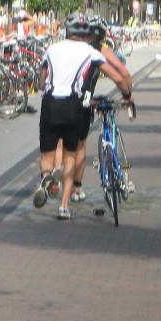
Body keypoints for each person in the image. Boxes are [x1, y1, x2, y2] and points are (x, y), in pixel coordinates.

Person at [33, 12, 132, 219]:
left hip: (50, 104)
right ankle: (64, 206)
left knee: (47, 155)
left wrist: (44, 86)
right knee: (70, 155)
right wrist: (127, 95)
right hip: (74, 105)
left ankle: (47, 176)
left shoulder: (52, 49)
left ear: (67, 31)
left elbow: (42, 80)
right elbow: (117, 76)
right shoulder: (91, 52)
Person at [69, 15, 133, 203]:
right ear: (103, 35)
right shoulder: (100, 50)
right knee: (80, 145)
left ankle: (55, 177)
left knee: (63, 144)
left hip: (61, 99)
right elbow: (124, 73)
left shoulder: (72, 47)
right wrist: (128, 96)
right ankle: (76, 188)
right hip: (85, 99)